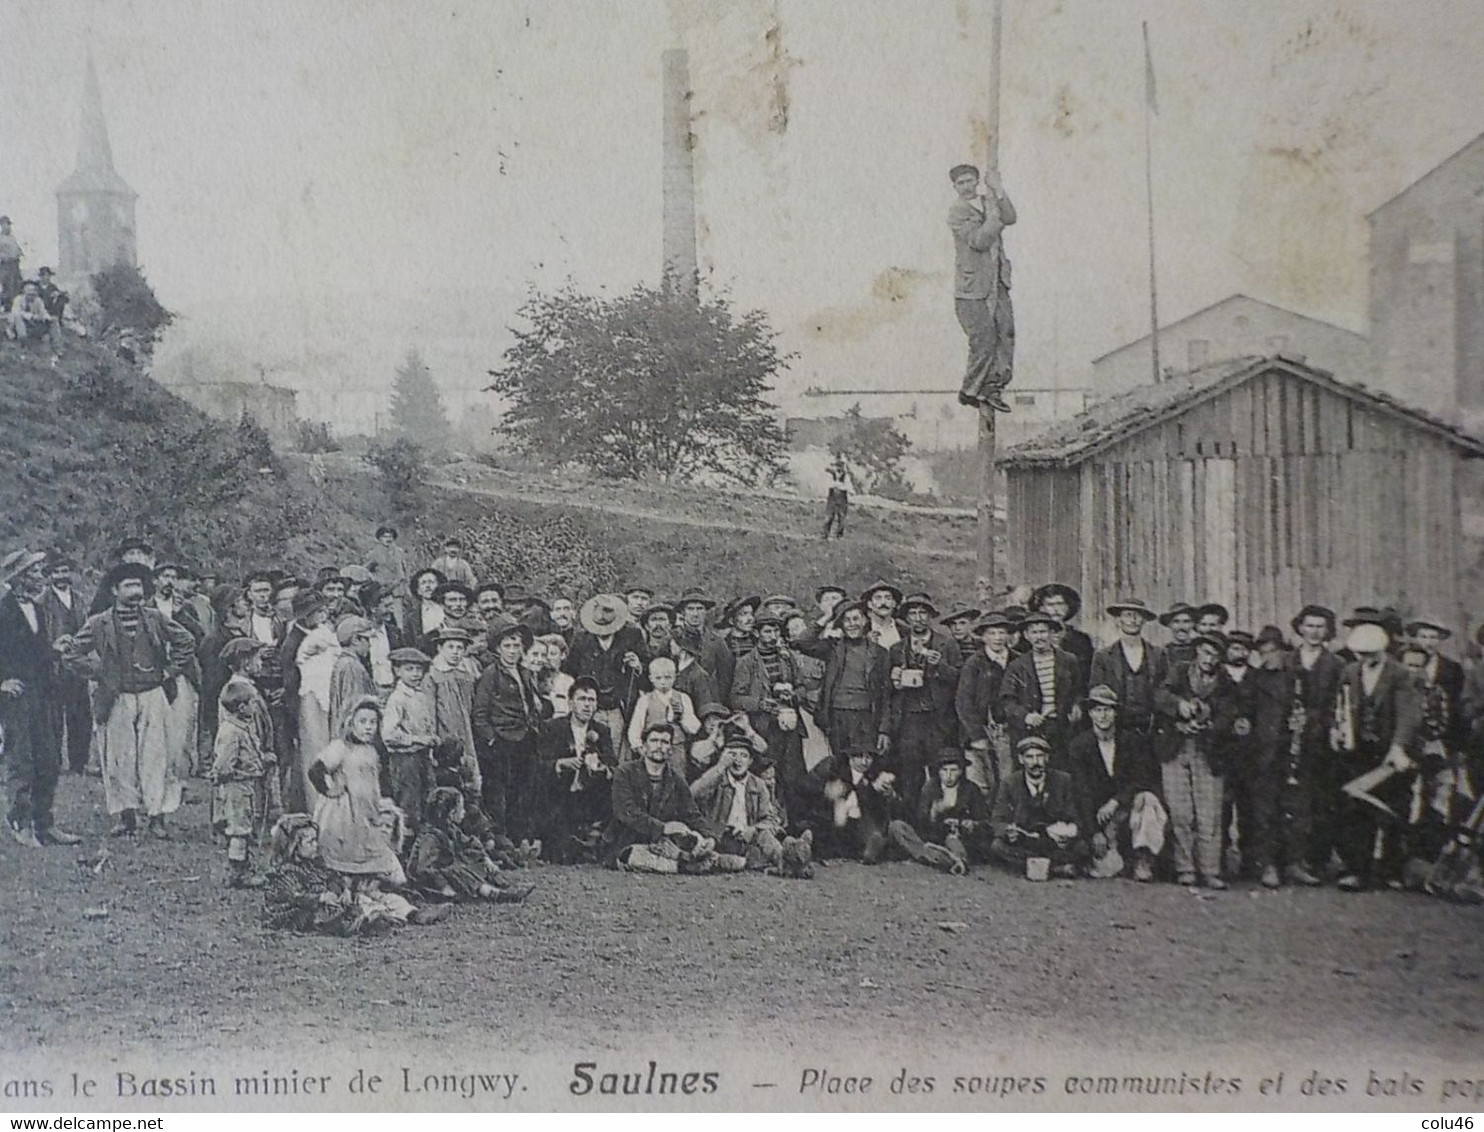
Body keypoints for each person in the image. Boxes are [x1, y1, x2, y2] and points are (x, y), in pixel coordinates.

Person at [63, 563, 197, 839]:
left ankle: (157, 816)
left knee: (156, 756)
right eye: (129, 586)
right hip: (117, 697)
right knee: (118, 757)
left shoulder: (155, 618)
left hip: (152, 694)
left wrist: (170, 671)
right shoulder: (99, 623)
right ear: (115, 590)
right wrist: (99, 673)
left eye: (139, 586)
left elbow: (186, 640)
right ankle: (126, 816)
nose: (136, 592)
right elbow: (72, 654)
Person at [1330, 614, 1422, 892]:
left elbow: (1408, 714)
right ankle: (1357, 870)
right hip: (1359, 751)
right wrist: (1336, 731)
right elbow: (1340, 705)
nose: (1365, 658)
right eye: (1361, 654)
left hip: (1390, 753)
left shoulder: (1399, 674)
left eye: (1371, 653)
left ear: (1382, 650)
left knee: (1394, 809)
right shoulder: (1349, 671)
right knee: (1356, 810)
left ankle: (1392, 869)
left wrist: (1398, 748)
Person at [0, 549, 75, 847]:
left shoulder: (39, 609)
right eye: (34, 572)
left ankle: (45, 823)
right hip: (17, 697)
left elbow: (35, 655)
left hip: (44, 694)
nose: (41, 576)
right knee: (23, 759)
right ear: (18, 579)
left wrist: (55, 649)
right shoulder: (3, 611)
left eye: (41, 570)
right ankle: (20, 821)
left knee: (49, 758)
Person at [1154, 632, 1241, 888]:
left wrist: (1207, 721)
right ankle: (1185, 868)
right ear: (1196, 652)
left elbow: (1229, 715)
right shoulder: (1179, 671)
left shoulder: (1226, 682)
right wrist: (1179, 708)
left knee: (1210, 812)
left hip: (1209, 752)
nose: (1208, 659)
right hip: (1175, 749)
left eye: (1214, 655)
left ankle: (1211, 869)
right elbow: (1160, 696)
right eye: (1204, 652)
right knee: (1180, 812)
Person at [1066, 686, 1167, 881]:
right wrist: (1095, 832)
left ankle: (1143, 860)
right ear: (1090, 714)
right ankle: (1117, 857)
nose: (1102, 716)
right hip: (1099, 817)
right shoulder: (1079, 746)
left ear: (1115, 713)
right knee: (1107, 870)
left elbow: (1141, 779)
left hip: (1127, 809)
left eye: (1107, 710)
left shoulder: (1131, 741)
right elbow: (1081, 791)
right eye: (1097, 710)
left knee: (1148, 799)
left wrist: (1116, 801)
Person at [309, 695, 407, 887]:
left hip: (367, 811)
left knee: (374, 852)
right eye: (362, 722)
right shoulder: (341, 748)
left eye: (373, 722)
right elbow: (316, 770)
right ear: (350, 723)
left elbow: (381, 780)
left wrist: (384, 802)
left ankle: (367, 882)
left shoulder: (373, 750)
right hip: (344, 813)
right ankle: (343, 882)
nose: (368, 727)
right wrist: (329, 790)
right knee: (343, 851)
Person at [602, 722, 723, 873]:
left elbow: (692, 814)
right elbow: (626, 812)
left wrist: (709, 837)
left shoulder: (676, 779)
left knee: (690, 843)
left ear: (671, 750)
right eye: (654, 741)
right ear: (644, 747)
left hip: (663, 842)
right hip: (627, 839)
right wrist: (664, 828)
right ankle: (686, 866)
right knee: (633, 855)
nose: (659, 746)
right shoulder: (625, 773)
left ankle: (699, 859)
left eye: (664, 742)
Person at [472, 619, 552, 846]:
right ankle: (500, 839)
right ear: (498, 648)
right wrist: (491, 739)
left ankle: (520, 838)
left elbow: (531, 704)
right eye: (507, 646)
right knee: (499, 792)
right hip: (503, 740)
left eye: (517, 646)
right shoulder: (491, 674)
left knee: (523, 789)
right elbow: (480, 713)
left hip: (525, 739)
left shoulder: (525, 672)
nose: (512, 651)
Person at [881, 593, 963, 813]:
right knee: (910, 776)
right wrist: (895, 678)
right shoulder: (897, 649)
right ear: (906, 618)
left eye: (923, 613)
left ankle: (940, 821)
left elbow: (958, 679)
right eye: (913, 613)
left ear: (931, 617)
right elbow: (888, 691)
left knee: (940, 774)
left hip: (938, 721)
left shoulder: (947, 645)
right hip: (908, 722)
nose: (918, 618)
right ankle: (912, 825)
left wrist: (939, 666)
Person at [948, 163, 1016, 413]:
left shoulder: (989, 201)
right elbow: (979, 240)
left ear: (978, 181)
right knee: (983, 339)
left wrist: (998, 190)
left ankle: (993, 388)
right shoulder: (957, 212)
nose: (967, 186)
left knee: (1005, 333)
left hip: (998, 281)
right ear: (955, 187)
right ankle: (971, 390)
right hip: (971, 287)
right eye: (961, 183)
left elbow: (1010, 217)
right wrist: (994, 216)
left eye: (970, 181)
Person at [1283, 605, 1342, 885]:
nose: (1315, 632)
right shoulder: (1286, 660)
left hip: (1322, 743)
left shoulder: (1336, 665)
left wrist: (1321, 722)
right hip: (1289, 740)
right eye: (1309, 625)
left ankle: (1316, 861)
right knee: (1293, 802)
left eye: (1321, 626)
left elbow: (1341, 705)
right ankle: (1292, 860)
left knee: (1321, 802)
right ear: (1300, 628)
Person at [538, 675, 617, 861]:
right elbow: (539, 763)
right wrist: (560, 763)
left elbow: (612, 764)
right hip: (560, 793)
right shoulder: (552, 728)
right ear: (571, 703)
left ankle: (593, 841)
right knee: (562, 852)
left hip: (590, 794)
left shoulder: (602, 730)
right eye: (582, 699)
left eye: (592, 700)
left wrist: (601, 768)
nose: (587, 705)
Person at [408, 787, 532, 903]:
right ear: (450, 814)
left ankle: (502, 885)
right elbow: (425, 869)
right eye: (461, 809)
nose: (464, 812)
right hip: (427, 881)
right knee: (458, 870)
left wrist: (485, 858)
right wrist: (444, 887)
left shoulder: (451, 829)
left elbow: (470, 843)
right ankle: (494, 894)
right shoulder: (430, 836)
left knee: (473, 860)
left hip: (442, 873)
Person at [689, 733, 792, 871]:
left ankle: (788, 861)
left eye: (743, 756)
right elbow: (694, 794)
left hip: (748, 839)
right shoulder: (716, 780)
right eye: (732, 755)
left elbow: (770, 819)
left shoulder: (758, 785)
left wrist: (753, 829)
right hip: (719, 838)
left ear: (750, 761)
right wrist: (720, 766)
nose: (737, 760)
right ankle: (743, 862)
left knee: (765, 837)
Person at [988, 736, 1087, 876]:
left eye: (1040, 756)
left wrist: (1069, 834)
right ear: (1021, 760)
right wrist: (1008, 831)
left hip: (1054, 842)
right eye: (1029, 757)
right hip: (1026, 841)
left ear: (1047, 758)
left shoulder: (1063, 780)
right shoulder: (1010, 783)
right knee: (997, 846)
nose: (1035, 762)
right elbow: (997, 820)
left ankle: (1034, 866)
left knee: (1082, 848)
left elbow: (1076, 816)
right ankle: (1055, 869)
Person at [807, 600, 890, 764]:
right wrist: (828, 616)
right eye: (846, 620)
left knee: (865, 765)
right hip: (837, 717)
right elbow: (803, 642)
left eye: (856, 619)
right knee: (840, 765)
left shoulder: (880, 653)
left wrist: (884, 730)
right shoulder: (832, 648)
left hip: (866, 718)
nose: (852, 624)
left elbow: (886, 695)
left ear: (865, 621)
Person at [564, 594, 648, 756]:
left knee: (616, 753)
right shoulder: (581, 639)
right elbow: (570, 671)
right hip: (590, 707)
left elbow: (647, 669)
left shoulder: (632, 635)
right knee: (588, 750)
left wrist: (637, 665)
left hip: (619, 707)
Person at [999, 610, 1084, 763]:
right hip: (1030, 730)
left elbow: (1079, 690)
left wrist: (1077, 706)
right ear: (1026, 635)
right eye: (1034, 632)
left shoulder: (1069, 660)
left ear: (1052, 634)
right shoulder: (1017, 666)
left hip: (1062, 728)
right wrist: (1025, 716)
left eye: (1043, 632)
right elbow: (1007, 701)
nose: (1039, 637)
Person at [210, 683, 272, 888]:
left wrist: (263, 759)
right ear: (241, 708)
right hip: (236, 786)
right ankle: (238, 872)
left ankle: (244, 867)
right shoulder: (230, 732)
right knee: (239, 830)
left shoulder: (243, 726)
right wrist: (234, 774)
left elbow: (249, 753)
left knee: (245, 826)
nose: (255, 706)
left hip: (245, 785)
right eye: (252, 703)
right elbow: (225, 763)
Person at [955, 611, 1015, 801]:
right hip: (979, 732)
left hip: (1009, 732)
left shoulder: (1018, 661)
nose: (997, 638)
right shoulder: (974, 664)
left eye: (1001, 633)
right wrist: (976, 735)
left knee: (1008, 780)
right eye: (992, 633)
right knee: (980, 784)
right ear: (983, 636)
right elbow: (963, 702)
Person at [379, 647, 438, 835]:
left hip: (421, 757)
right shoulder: (397, 699)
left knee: (426, 799)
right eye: (409, 669)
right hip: (404, 760)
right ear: (397, 671)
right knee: (409, 805)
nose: (415, 674)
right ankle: (407, 848)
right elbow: (389, 734)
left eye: (419, 669)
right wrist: (417, 739)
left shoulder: (420, 695)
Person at [42, 555, 91, 776]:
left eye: (65, 571)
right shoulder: (42, 601)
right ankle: (54, 762)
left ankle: (79, 763)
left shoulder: (80, 599)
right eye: (57, 571)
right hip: (54, 665)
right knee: (53, 717)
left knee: (80, 714)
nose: (62, 576)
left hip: (77, 663)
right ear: (50, 575)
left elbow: (87, 626)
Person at [1089, 599, 1167, 736]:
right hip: (1117, 728)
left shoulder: (1158, 654)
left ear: (1144, 621)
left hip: (1150, 727)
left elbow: (1165, 690)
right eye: (1128, 615)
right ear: (1118, 621)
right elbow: (1096, 692)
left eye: (1138, 615)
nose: (1133, 620)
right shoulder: (1104, 656)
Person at [913, 749, 993, 866]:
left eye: (953, 770)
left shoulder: (970, 789)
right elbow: (920, 820)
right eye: (944, 770)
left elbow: (985, 820)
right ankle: (944, 857)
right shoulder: (930, 787)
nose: (949, 775)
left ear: (960, 771)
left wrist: (971, 824)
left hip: (960, 837)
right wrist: (934, 811)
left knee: (953, 840)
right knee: (899, 828)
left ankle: (950, 859)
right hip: (934, 835)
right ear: (939, 771)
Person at [1031, 584, 1093, 687]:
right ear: (1041, 608)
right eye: (1050, 605)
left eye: (1060, 604)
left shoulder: (1081, 640)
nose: (1056, 609)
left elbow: (1087, 675)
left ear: (1068, 607)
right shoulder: (1031, 638)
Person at [328, 616, 378, 739]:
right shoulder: (352, 666)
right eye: (367, 640)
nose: (369, 645)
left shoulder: (343, 663)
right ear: (355, 639)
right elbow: (355, 706)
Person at [860, 581, 904, 652]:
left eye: (888, 598)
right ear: (870, 604)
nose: (883, 602)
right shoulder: (862, 631)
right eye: (878, 598)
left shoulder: (905, 630)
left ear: (894, 603)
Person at [366, 525, 410, 596]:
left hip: (398, 590)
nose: (388, 539)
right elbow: (366, 570)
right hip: (382, 590)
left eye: (390, 537)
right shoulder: (373, 554)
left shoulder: (399, 552)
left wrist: (406, 585)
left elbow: (405, 570)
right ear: (379, 538)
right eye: (385, 537)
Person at [1160, 602, 1198, 671]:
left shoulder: (1199, 649)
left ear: (1193, 624)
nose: (1181, 627)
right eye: (1176, 622)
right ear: (1169, 624)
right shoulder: (1162, 652)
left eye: (1186, 621)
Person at [822, 458, 854, 540]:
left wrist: (839, 485)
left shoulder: (846, 476)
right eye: (838, 466)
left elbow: (848, 487)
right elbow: (829, 484)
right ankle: (825, 534)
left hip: (842, 497)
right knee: (829, 516)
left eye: (841, 466)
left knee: (841, 517)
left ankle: (839, 535)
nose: (839, 468)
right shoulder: (831, 474)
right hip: (833, 496)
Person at [0, 215, 21, 306]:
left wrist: (19, 252)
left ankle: (15, 305)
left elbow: (18, 249)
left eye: (9, 224)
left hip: (15, 264)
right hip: (5, 265)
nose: (8, 226)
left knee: (16, 284)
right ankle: (7, 305)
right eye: (6, 224)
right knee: (7, 286)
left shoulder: (13, 238)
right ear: (2, 225)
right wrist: (4, 257)